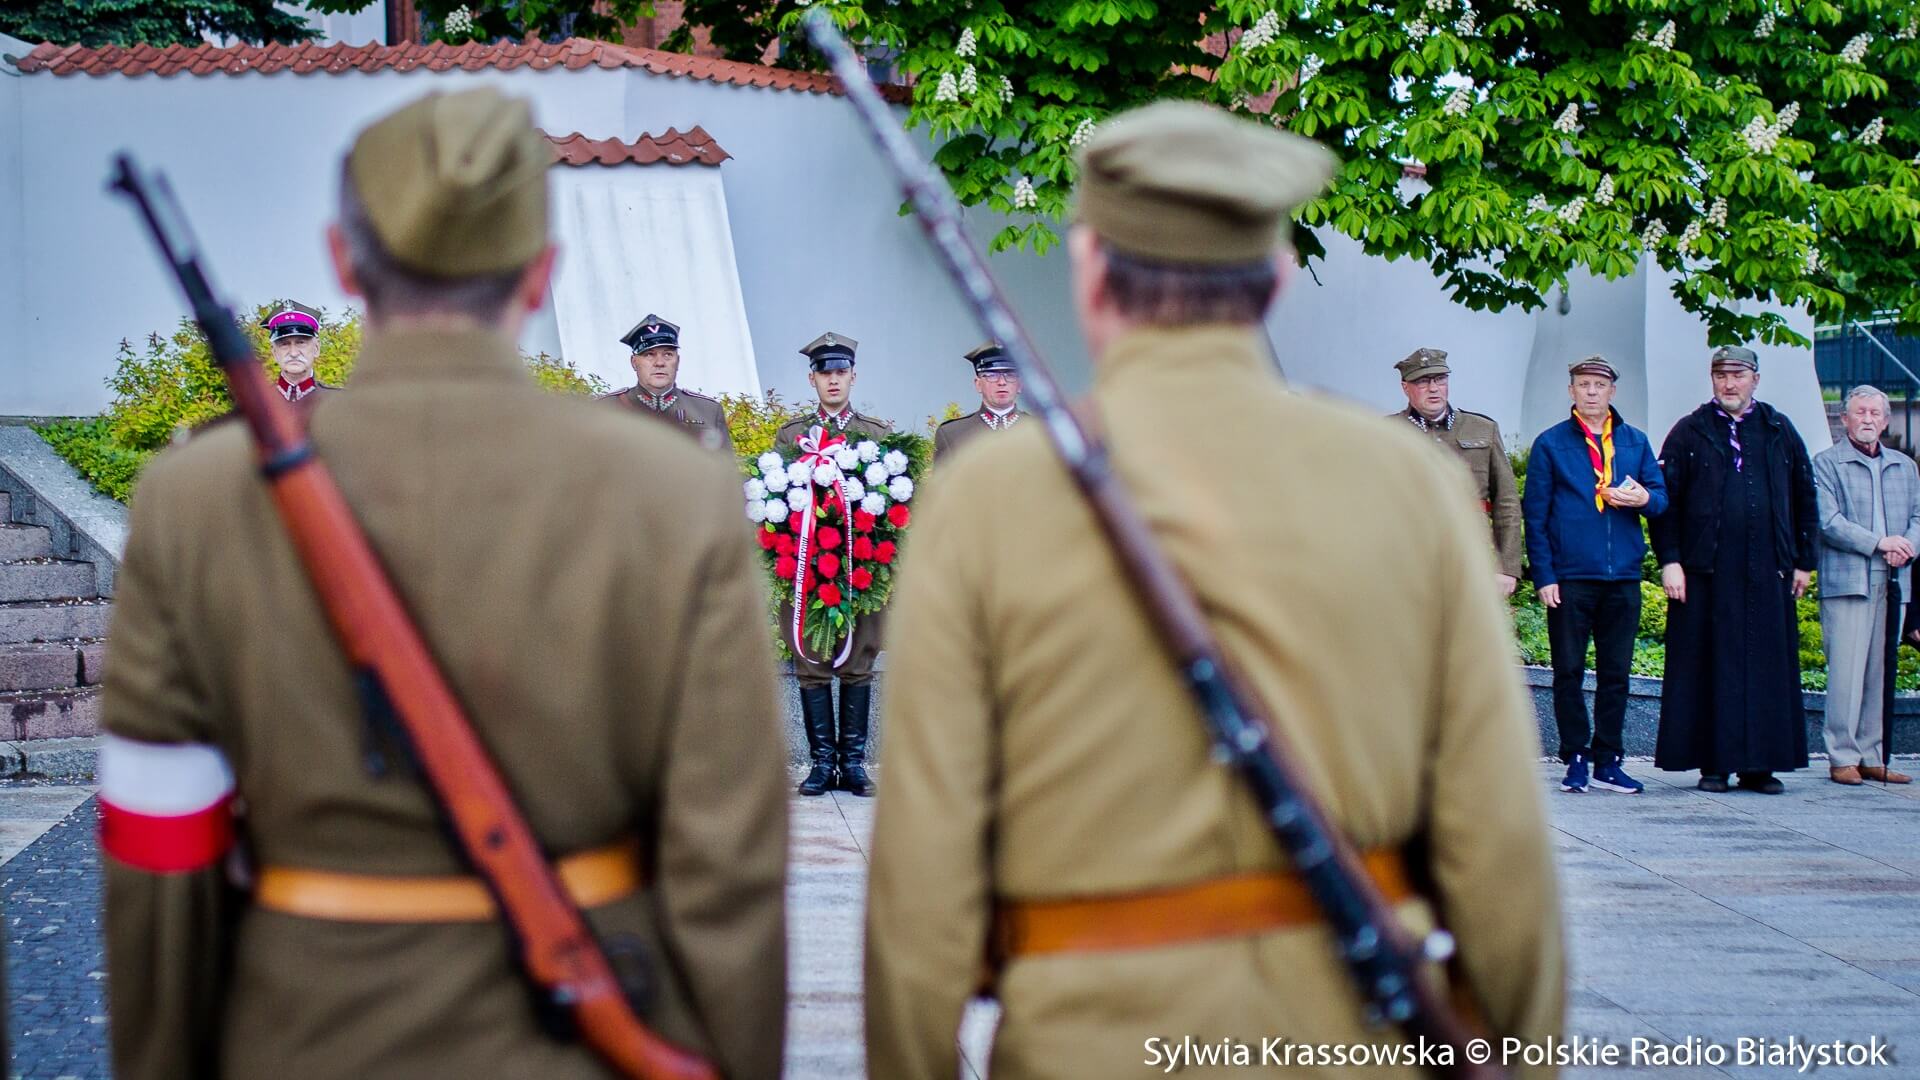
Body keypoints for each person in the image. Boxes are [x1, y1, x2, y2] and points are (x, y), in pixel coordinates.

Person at [865, 100, 1563, 1079]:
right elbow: (1500, 847)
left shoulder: (990, 497)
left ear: (1090, 276)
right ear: (1276, 281)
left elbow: (922, 873)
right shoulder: (1407, 485)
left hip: (1085, 1045)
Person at [99, 87, 788, 1080]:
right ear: (542, 272)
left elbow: (163, 841)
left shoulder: (195, 499)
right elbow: (727, 862)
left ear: (344, 262)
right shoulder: (670, 492)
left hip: (299, 1037)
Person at [1652, 345, 1818, 794]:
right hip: (1706, 572)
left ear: (1755, 380)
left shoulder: (1780, 430)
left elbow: (1805, 496)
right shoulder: (1689, 431)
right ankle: (1714, 764)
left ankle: (1760, 766)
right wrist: (1670, 562)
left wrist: (1804, 560)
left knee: (1765, 666)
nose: (1729, 383)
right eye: (1721, 374)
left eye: (1738, 375)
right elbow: (1666, 506)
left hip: (1768, 570)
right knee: (1711, 664)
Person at [1522, 356, 1667, 795]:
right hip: (1570, 577)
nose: (1590, 392)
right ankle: (1575, 757)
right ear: (1571, 391)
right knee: (1568, 670)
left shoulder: (1634, 442)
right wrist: (1545, 575)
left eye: (1598, 385)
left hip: (1621, 576)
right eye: (1582, 384)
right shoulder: (1551, 444)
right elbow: (1536, 515)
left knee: (1616, 672)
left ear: (1612, 393)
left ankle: (1609, 758)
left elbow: (1660, 499)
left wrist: (1643, 498)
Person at [773, 332, 892, 797]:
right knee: (811, 660)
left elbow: (888, 511)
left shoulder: (876, 435)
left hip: (860, 567)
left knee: (860, 659)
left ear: (853, 376)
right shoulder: (792, 436)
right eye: (826, 373)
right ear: (812, 379)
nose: (834, 380)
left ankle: (854, 764)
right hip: (807, 568)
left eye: (841, 372)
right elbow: (777, 500)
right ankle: (822, 764)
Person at [1812, 385, 1917, 785]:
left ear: (1886, 420)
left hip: (1895, 578)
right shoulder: (1826, 463)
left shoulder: (1904, 466)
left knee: (1880, 668)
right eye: (1860, 413)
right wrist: (1880, 543)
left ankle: (1873, 754)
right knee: (1847, 670)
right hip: (1849, 578)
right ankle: (1842, 755)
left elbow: (1919, 516)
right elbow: (1828, 522)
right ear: (1844, 419)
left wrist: (1906, 546)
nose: (1868, 419)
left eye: (1876, 413)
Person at [1391, 346, 1524, 596]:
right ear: (1405, 387)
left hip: (1472, 554)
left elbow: (1506, 501)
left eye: (1439, 379)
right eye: (1422, 381)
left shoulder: (1482, 428)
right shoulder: (1386, 432)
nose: (1433, 388)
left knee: (1469, 633)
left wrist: (1507, 566)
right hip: (1407, 558)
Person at [597, 314, 733, 453]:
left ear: (678, 361)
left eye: (668, 354)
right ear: (634, 362)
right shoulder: (605, 408)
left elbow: (725, 471)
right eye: (649, 354)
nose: (660, 363)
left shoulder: (708, 410)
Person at [933, 341, 1022, 458]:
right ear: (978, 384)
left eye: (1010, 375)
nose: (1001, 382)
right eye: (992, 375)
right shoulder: (952, 433)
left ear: (1020, 385)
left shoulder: (1042, 431)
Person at [263, 299, 341, 406]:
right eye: (284, 344)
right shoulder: (256, 404)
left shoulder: (341, 402)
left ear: (316, 348)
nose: (293, 353)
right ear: (274, 352)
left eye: (301, 342)